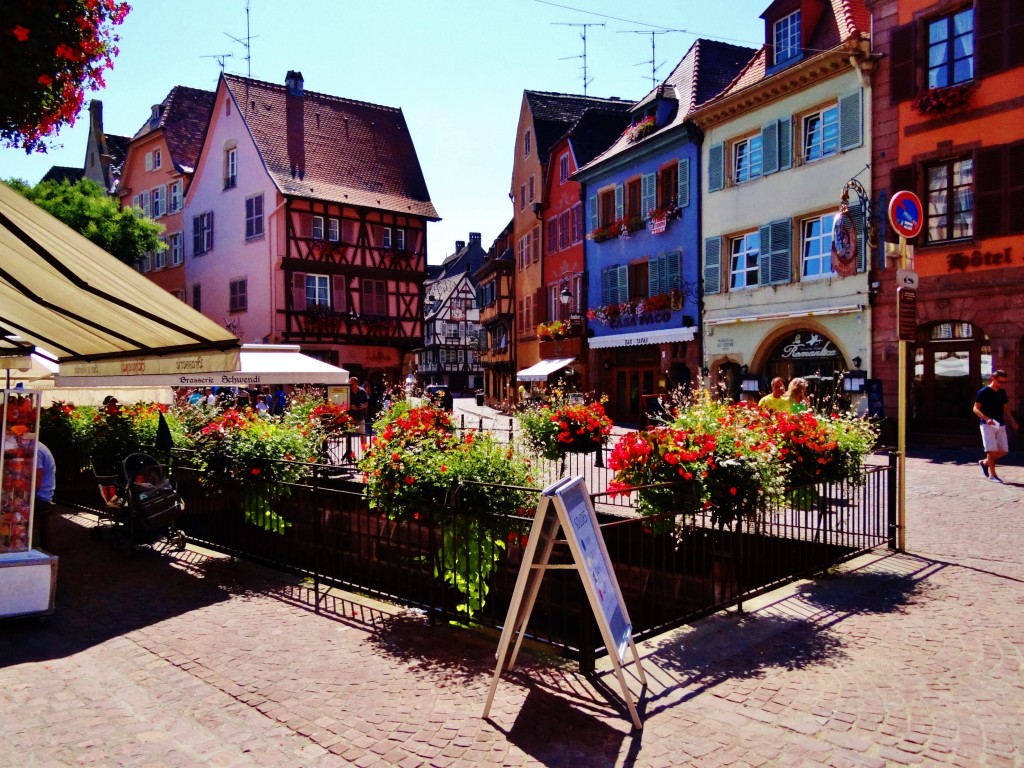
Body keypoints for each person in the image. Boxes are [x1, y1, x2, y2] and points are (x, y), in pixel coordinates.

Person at [973, 370, 1018, 483]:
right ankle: (993, 475)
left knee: (1004, 451)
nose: (1001, 384)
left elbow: (1005, 408)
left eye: (1004, 382)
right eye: (1000, 382)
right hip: (987, 424)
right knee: (991, 450)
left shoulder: (1002, 392)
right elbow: (975, 408)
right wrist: (986, 418)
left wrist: (1012, 421)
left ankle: (984, 463)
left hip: (1000, 424)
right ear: (993, 379)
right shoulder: (983, 392)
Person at [33, 441, 56, 551]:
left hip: (40, 499)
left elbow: (35, 486)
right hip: (41, 497)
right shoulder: (37, 446)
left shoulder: (35, 450)